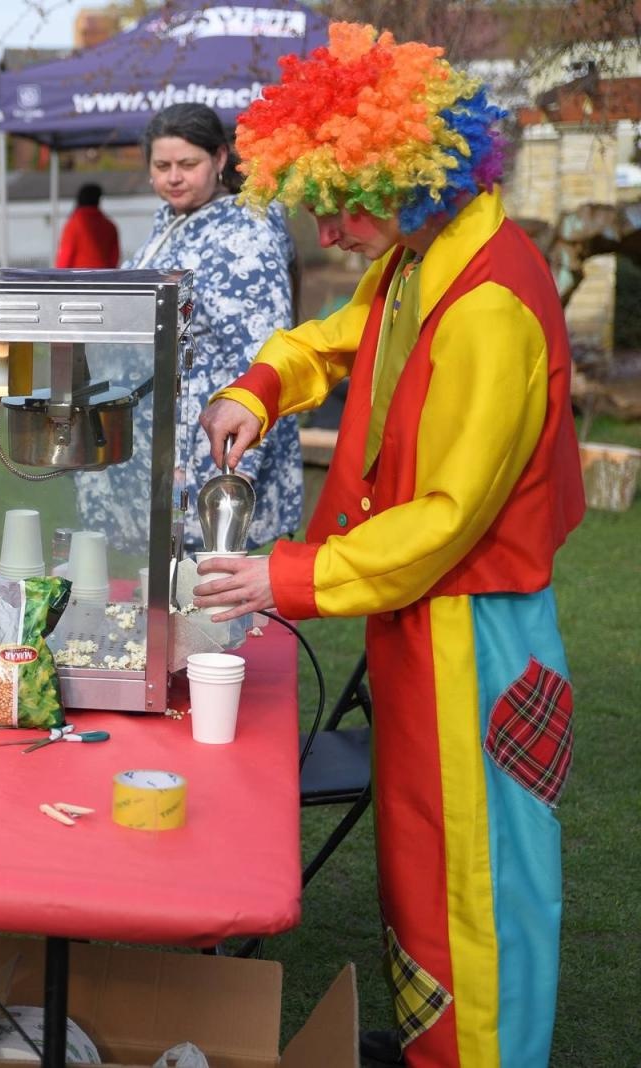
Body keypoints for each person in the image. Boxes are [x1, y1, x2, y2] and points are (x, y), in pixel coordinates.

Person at [195, 24, 584, 1068]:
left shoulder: (489, 301)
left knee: (478, 874)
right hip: (423, 621)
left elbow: (447, 519)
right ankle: (435, 1042)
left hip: (475, 632)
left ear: (406, 177)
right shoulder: (424, 255)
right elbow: (340, 337)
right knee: (421, 853)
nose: (332, 233)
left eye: (343, 206)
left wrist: (285, 574)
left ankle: (483, 1054)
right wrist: (260, 385)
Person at [75, 103, 301, 551]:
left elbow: (263, 358)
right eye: (162, 166)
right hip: (160, 447)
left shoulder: (245, 233)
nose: (173, 177)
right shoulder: (172, 223)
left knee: (206, 607)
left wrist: (233, 480)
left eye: (187, 164)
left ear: (219, 159)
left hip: (208, 458)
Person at [54, 182, 120, 268]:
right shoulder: (110, 226)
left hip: (79, 279)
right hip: (104, 278)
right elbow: (114, 259)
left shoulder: (73, 224)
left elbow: (65, 258)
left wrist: (57, 278)